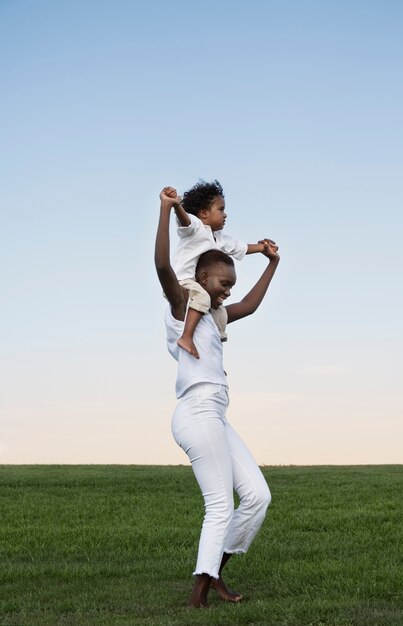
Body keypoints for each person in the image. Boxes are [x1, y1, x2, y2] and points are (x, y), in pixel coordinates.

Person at [155, 186, 280, 608]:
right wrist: (164, 211)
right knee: (219, 505)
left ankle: (215, 576)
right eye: (222, 284)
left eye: (229, 286)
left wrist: (272, 263)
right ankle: (198, 596)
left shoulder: (217, 314)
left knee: (258, 498)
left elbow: (249, 304)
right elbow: (161, 265)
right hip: (195, 411)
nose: (227, 292)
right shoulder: (180, 307)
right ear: (203, 279)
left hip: (217, 415)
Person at [165, 180, 276, 359]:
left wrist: (264, 248)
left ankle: (212, 354)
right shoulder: (195, 228)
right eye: (221, 209)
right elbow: (184, 219)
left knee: (219, 313)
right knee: (202, 297)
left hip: (199, 286)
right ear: (203, 213)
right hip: (183, 281)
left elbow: (242, 248)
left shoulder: (220, 239)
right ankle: (186, 336)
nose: (225, 215)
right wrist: (176, 205)